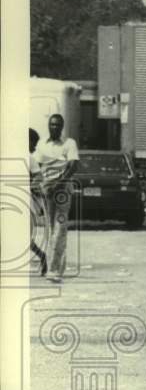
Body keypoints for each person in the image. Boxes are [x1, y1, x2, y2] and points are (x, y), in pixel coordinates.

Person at [34, 114, 79, 283]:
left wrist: (58, 184)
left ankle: (55, 270)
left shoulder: (69, 143)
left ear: (62, 126)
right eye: (52, 125)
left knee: (60, 227)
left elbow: (74, 166)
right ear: (48, 126)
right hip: (47, 190)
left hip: (62, 191)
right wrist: (40, 186)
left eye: (57, 125)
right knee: (50, 228)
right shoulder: (41, 145)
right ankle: (52, 266)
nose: (54, 127)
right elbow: (37, 166)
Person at [28, 129, 48, 277]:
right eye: (33, 143)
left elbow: (38, 177)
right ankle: (42, 256)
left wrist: (28, 185)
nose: (34, 147)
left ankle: (42, 256)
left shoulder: (30, 158)